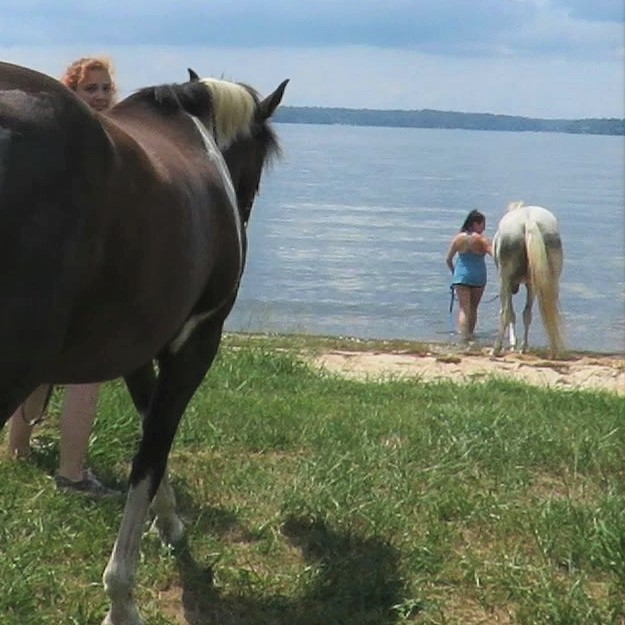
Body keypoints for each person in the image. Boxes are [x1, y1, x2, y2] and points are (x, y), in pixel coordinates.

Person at [6, 57, 119, 497]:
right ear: (70, 92)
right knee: (85, 373)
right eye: (90, 89)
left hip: (48, 271)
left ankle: (17, 450)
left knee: (36, 366)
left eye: (105, 88)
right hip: (80, 272)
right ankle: (72, 474)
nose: (101, 96)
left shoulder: (48, 139)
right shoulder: (93, 143)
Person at [445, 209, 491, 343]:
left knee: (464, 309)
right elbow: (494, 255)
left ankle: (463, 337)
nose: (484, 227)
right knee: (473, 308)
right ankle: (470, 335)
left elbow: (448, 259)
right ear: (474, 224)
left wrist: (455, 273)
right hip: (478, 277)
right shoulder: (482, 240)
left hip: (461, 277)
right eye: (482, 224)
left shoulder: (458, 238)